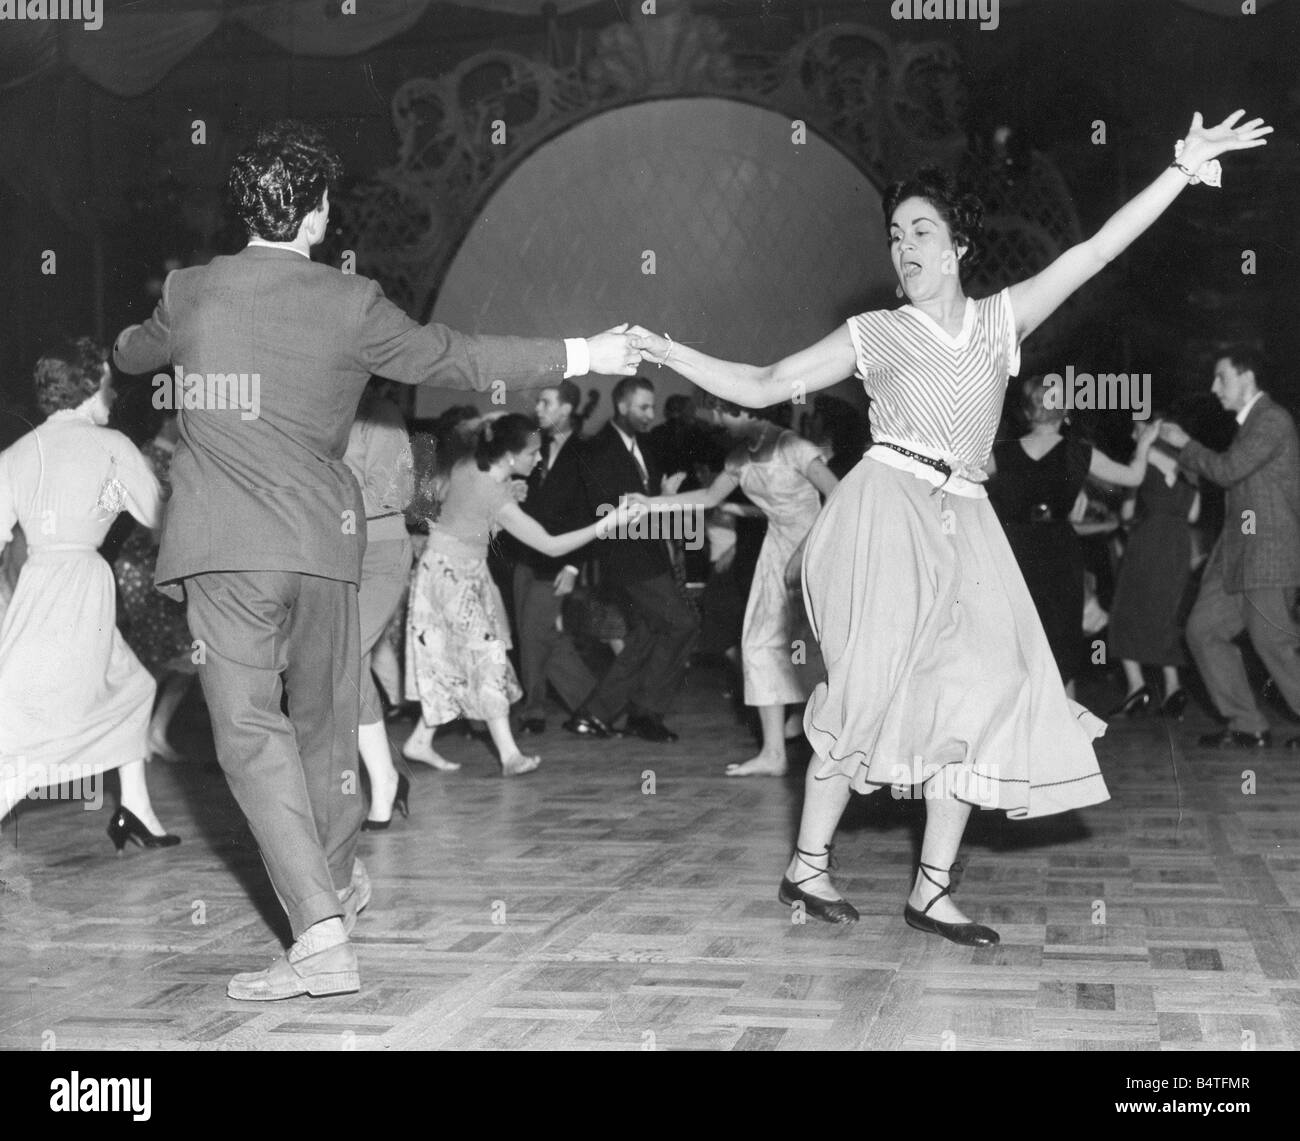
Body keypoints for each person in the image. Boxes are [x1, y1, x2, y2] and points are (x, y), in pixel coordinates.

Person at [629, 109, 1271, 944]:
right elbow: (763, 380)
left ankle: (932, 888)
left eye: (921, 230)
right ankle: (807, 865)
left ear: (958, 246)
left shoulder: (1002, 321)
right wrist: (664, 348)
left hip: (967, 518)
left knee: (979, 698)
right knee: (865, 695)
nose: (904, 247)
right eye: (895, 235)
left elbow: (1098, 250)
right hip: (885, 510)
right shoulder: (878, 332)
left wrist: (1181, 169)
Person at [112, 119, 645, 1001]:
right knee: (329, 729)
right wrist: (586, 352)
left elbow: (133, 353)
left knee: (250, 734)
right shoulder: (349, 303)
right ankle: (337, 885)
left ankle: (319, 934)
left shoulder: (191, 291)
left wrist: (136, 344)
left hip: (227, 552)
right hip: (326, 546)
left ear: (240, 210)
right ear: (317, 216)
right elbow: (458, 356)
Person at [0, 338, 179, 849]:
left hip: (37, 584)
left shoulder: (16, 453)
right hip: (82, 586)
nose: (111, 390)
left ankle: (136, 809)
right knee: (38, 723)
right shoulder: (113, 446)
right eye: (105, 379)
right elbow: (158, 519)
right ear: (85, 385)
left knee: (133, 688)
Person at [406, 414, 642, 774]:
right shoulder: (491, 489)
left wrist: (504, 498)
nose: (539, 458)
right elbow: (551, 546)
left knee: (461, 659)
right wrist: (609, 523)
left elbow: (474, 524)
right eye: (533, 452)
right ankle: (510, 756)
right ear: (510, 455)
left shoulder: (477, 468)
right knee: (486, 657)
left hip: (461, 571)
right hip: (450, 576)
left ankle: (420, 741)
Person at [632, 398, 838, 775]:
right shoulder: (740, 457)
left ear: (748, 410)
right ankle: (774, 754)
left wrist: (808, 551)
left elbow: (839, 496)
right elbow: (708, 498)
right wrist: (650, 503)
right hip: (776, 552)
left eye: (722, 412)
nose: (717, 421)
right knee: (758, 644)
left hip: (818, 550)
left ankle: (841, 748)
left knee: (820, 649)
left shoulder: (794, 447)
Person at [1159, 346, 1300, 748]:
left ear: (1247, 378)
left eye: (1221, 377)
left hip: (1267, 556)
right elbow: (1231, 476)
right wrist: (1178, 453)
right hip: (1237, 557)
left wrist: (1185, 443)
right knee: (1203, 630)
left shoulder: (1272, 419)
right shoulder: (1250, 425)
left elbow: (1228, 469)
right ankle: (1246, 723)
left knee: (1275, 643)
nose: (1213, 387)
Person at [986, 376, 1161, 696]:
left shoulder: (1002, 453)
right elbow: (1133, 476)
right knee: (1063, 636)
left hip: (1015, 550)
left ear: (1027, 411)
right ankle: (1065, 727)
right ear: (1065, 410)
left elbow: (964, 477)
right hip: (1059, 551)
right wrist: (1145, 444)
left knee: (1019, 635)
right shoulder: (1079, 453)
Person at [562, 376, 700, 743]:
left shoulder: (641, 446)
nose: (650, 414)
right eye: (643, 407)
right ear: (622, 406)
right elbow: (601, 511)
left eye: (652, 407)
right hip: (627, 557)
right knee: (683, 623)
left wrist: (663, 495)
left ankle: (594, 715)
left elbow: (641, 500)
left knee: (647, 635)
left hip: (647, 553)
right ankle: (645, 711)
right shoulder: (598, 449)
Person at [343, 379, 417, 829]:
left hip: (380, 553)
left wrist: (322, 499)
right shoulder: (319, 406)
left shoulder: (381, 415)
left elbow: (396, 495)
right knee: (348, 663)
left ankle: (385, 778)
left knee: (344, 657)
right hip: (332, 552)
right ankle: (386, 776)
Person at [508, 381, 598, 736]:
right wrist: (517, 491)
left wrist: (575, 566)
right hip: (524, 555)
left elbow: (593, 515)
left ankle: (534, 710)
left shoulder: (589, 451)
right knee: (540, 635)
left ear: (566, 409)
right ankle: (596, 703)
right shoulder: (535, 444)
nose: (538, 410)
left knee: (534, 633)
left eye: (546, 403)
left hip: (559, 560)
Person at [112, 409, 198, 763]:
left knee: (188, 656)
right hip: (143, 565)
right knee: (158, 653)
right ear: (168, 418)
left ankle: (156, 731)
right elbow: (149, 519)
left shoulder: (183, 456)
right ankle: (130, 734)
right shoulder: (147, 455)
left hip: (168, 563)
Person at [1106, 418, 1201, 717]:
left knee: (1124, 611)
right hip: (1179, 543)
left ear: (1149, 431)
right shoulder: (1190, 466)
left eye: (1136, 429)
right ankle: (1173, 689)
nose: (1133, 435)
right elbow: (1195, 514)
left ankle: (1136, 686)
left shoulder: (1141, 460)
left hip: (1148, 541)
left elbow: (1126, 513)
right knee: (1165, 612)